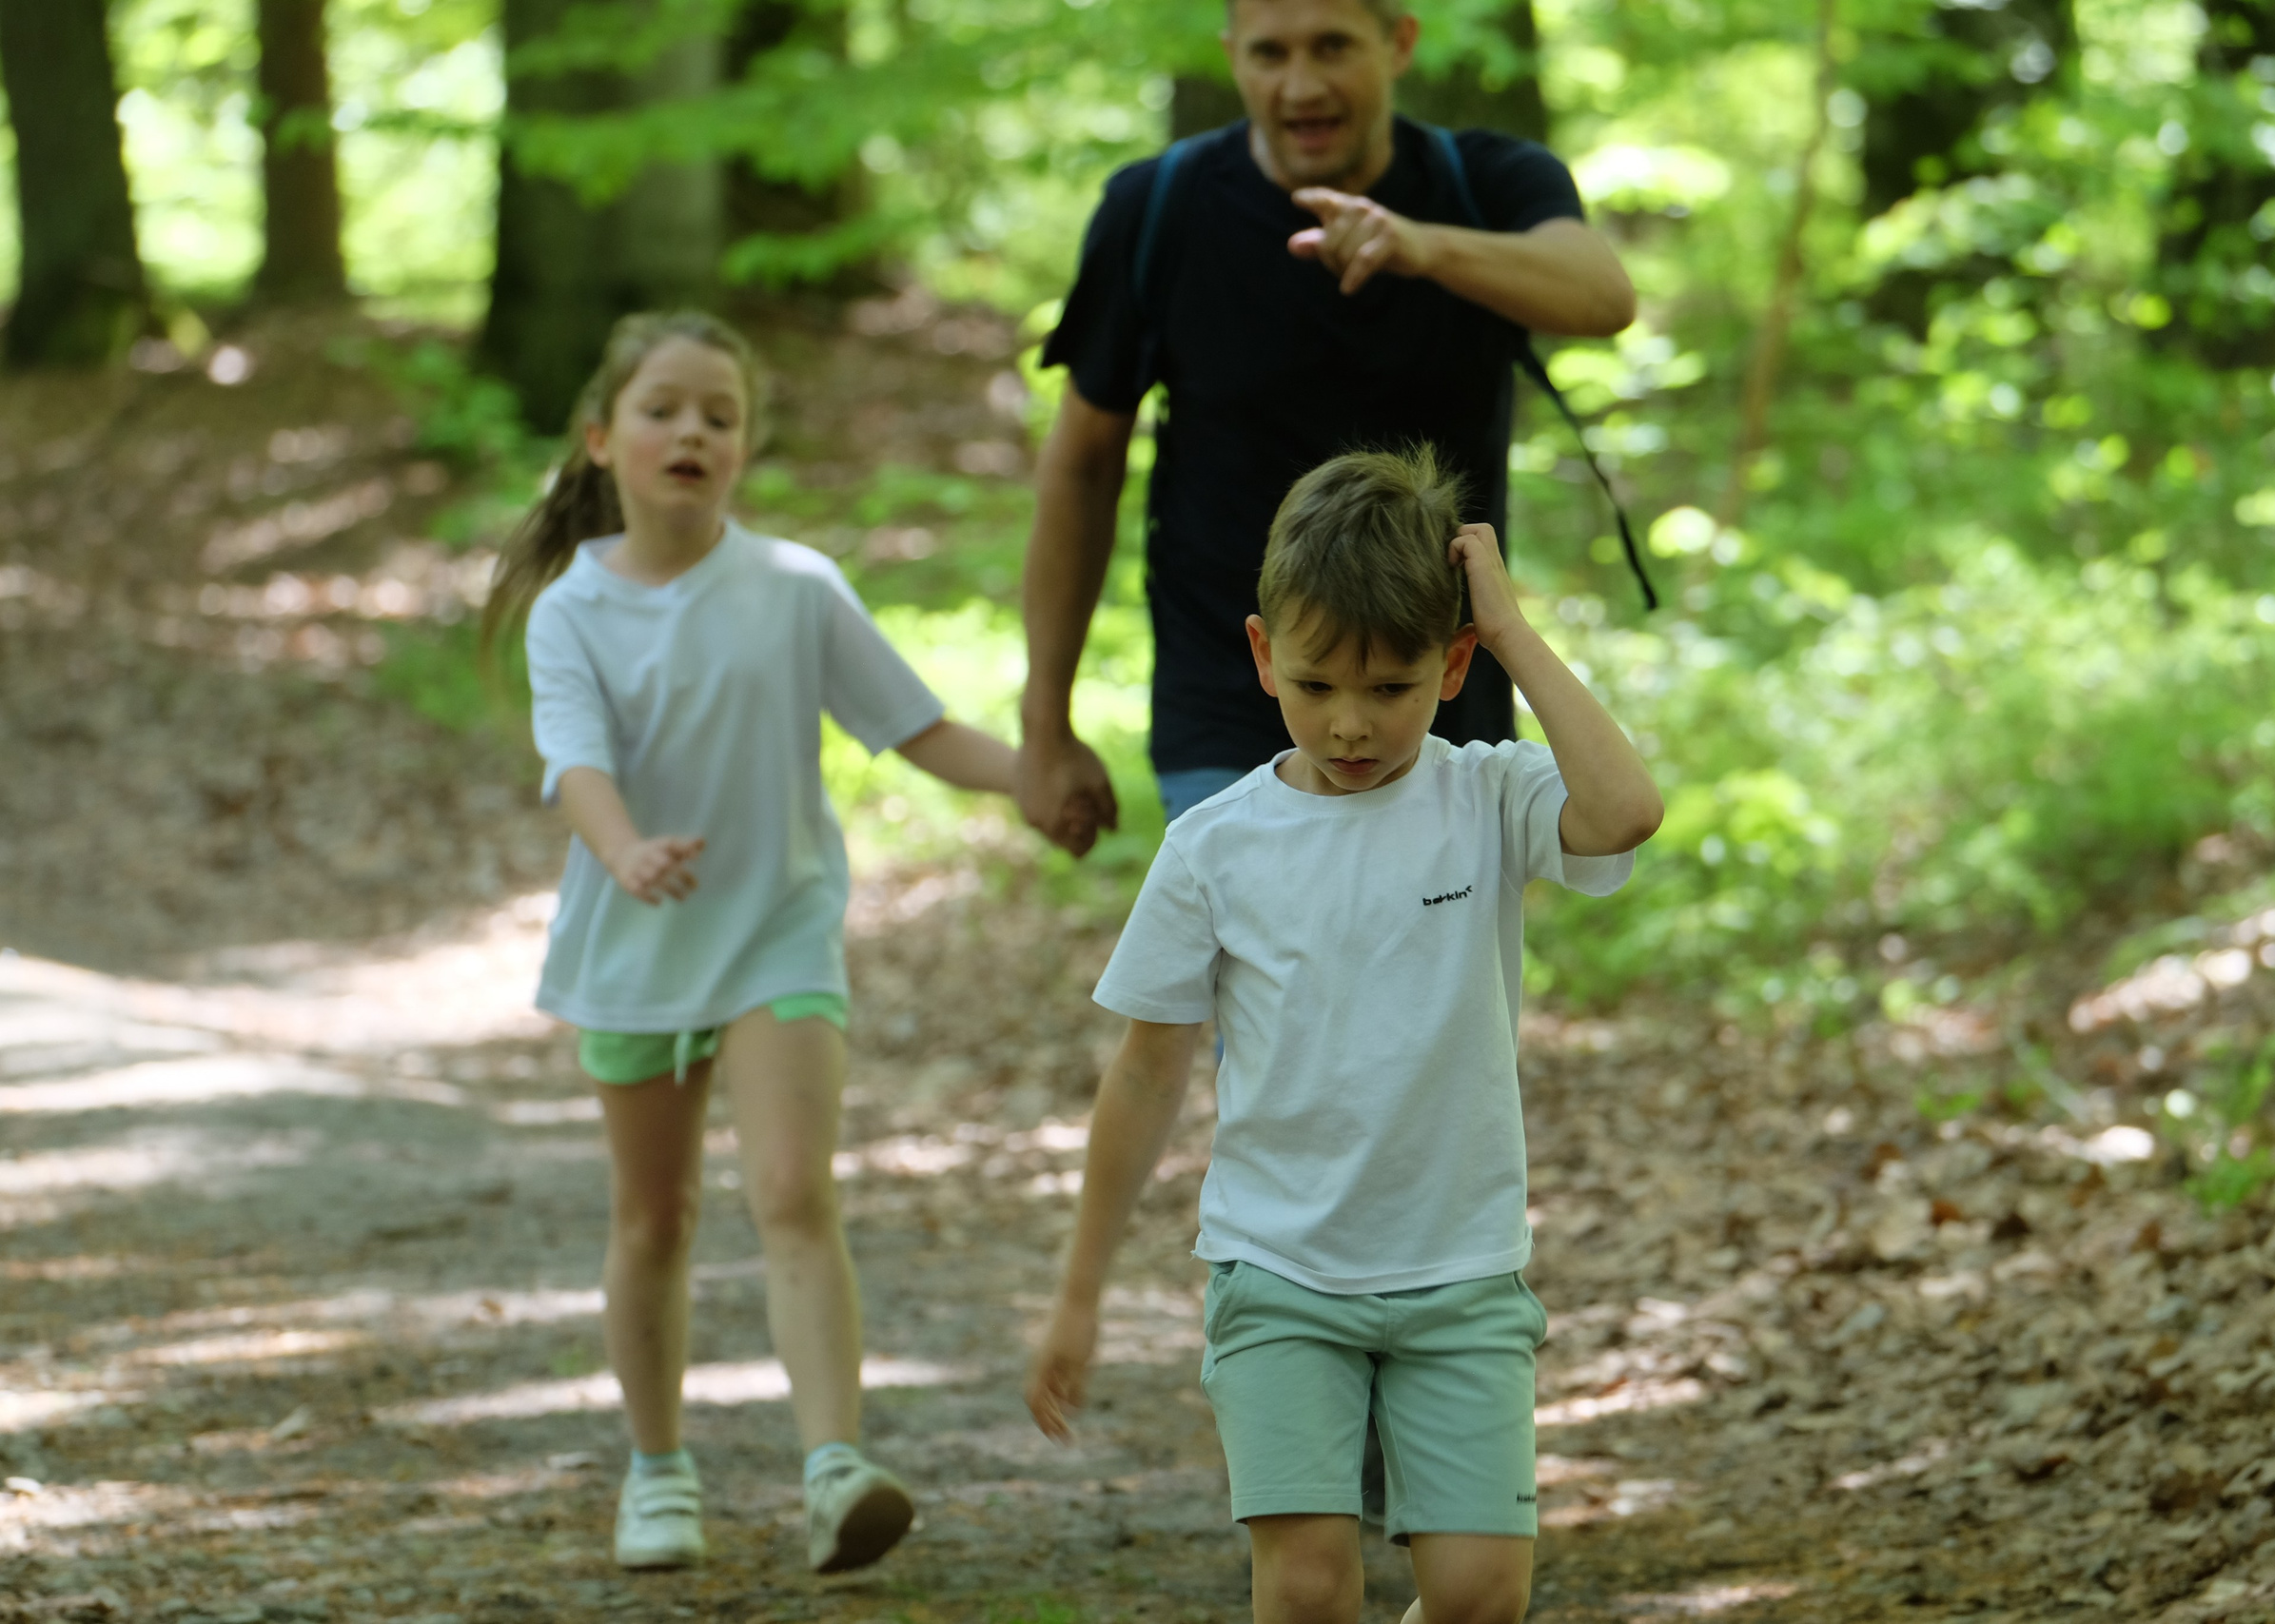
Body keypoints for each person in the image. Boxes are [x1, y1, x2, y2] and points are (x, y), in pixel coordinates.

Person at [1024, 448, 1664, 1623]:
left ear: (1453, 663)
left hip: (1460, 1272)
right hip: (1280, 1272)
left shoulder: (1489, 798)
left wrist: (1516, 634)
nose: (1353, 724)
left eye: (1394, 687)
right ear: (1264, 655)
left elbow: (1625, 811)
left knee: (1478, 1600)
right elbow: (1147, 1070)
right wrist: (1080, 1292)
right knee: (1309, 1589)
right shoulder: (1216, 846)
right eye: (1318, 685)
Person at [480, 310, 1018, 1575]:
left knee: (793, 1189)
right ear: (605, 437)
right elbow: (576, 765)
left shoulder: (792, 587)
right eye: (665, 408)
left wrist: (1035, 781)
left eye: (720, 416)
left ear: (744, 448)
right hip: (638, 933)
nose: (693, 432)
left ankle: (836, 1464)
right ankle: (658, 1465)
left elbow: (917, 726)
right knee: (655, 1216)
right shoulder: (574, 611)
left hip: (778, 924)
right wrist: (621, 852)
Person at [1017, 0, 1638, 851]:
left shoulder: (1487, 184)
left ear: (1400, 43)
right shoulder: (1157, 209)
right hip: (1233, 701)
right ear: (1233, 56)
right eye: (1270, 53)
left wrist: (1422, 247)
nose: (1300, 84)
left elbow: (1602, 294)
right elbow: (1083, 466)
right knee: (1259, 983)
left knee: (1426, 980)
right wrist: (1044, 726)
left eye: (1333, 46)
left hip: (1432, 703)